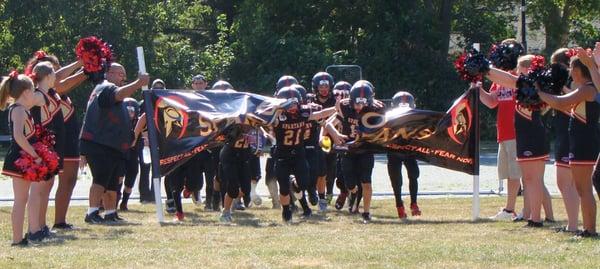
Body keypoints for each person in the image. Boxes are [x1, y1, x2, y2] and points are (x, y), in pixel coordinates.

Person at [485, 55, 557, 228]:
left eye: (521, 68)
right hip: (526, 134)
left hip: (531, 134)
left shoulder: (534, 85)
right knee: (531, 179)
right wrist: (485, 71)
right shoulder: (531, 84)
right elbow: (507, 80)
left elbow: (509, 79)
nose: (518, 72)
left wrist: (484, 68)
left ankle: (536, 218)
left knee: (533, 179)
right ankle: (535, 217)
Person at [538, 49, 598, 237]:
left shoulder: (588, 89)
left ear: (579, 71)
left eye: (572, 68)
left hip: (585, 142)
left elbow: (561, 103)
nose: (570, 73)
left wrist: (539, 92)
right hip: (580, 141)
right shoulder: (586, 88)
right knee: (581, 188)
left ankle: (589, 229)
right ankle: (587, 228)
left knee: (584, 188)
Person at [24, 51, 86, 230]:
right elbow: (60, 81)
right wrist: (81, 66)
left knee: (50, 184)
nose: (57, 71)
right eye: (52, 69)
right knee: (41, 187)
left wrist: (84, 68)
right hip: (46, 143)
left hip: (60, 141)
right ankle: (36, 227)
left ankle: (44, 225)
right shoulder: (40, 92)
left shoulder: (52, 91)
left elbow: (60, 81)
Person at [81, 62, 149, 224]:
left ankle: (111, 212)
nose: (124, 78)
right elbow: (118, 94)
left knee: (112, 182)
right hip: (100, 143)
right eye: (121, 75)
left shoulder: (108, 88)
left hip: (113, 145)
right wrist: (139, 83)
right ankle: (92, 212)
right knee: (100, 179)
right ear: (109, 73)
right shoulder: (106, 88)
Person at [272, 86, 335, 222]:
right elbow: (263, 120)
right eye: (288, 104)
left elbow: (321, 114)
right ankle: (286, 210)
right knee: (283, 188)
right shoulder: (277, 116)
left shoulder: (304, 113)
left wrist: (336, 108)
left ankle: (294, 183)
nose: (292, 107)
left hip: (299, 153)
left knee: (304, 183)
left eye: (294, 103)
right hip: (282, 154)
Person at [326, 80, 384, 223]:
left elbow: (382, 130)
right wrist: (336, 135)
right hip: (348, 149)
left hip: (365, 148)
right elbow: (329, 124)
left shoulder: (377, 109)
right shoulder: (345, 106)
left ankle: (366, 213)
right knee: (350, 184)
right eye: (356, 103)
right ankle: (353, 193)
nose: (359, 107)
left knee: (366, 181)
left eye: (363, 103)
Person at [478, 39, 524, 221]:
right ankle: (511, 209)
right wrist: (478, 88)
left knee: (518, 174)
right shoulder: (499, 78)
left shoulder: (517, 76)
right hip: (503, 132)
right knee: (508, 174)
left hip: (516, 131)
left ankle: (515, 209)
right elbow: (491, 102)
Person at [1, 72, 39, 245]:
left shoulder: (23, 109)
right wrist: (34, 154)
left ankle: (20, 237)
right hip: (20, 158)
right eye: (33, 90)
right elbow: (18, 136)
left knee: (23, 199)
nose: (34, 93)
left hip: (24, 157)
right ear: (25, 92)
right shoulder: (18, 109)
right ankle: (17, 239)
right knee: (20, 199)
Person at [28, 62, 65, 238]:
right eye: (54, 74)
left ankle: (41, 225)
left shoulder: (45, 94)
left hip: (47, 144)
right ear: (48, 76)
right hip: (39, 145)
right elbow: (20, 104)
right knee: (38, 189)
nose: (56, 77)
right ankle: (34, 228)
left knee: (45, 187)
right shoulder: (36, 95)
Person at [549, 48, 580, 233]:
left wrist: (560, 88)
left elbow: (571, 105)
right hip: (564, 132)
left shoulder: (573, 82)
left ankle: (574, 225)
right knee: (571, 184)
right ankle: (573, 223)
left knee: (564, 182)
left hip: (569, 134)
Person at [387, 91, 421, 219]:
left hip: (409, 151)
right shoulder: (388, 118)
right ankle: (399, 205)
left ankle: (414, 203)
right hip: (394, 151)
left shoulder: (417, 119)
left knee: (414, 175)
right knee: (396, 181)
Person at [119, 97, 141, 211]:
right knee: (119, 176)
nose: (130, 113)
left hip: (133, 154)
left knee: (131, 177)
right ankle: (115, 199)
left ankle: (124, 202)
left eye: (132, 110)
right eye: (127, 110)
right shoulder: (118, 121)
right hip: (120, 154)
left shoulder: (139, 122)